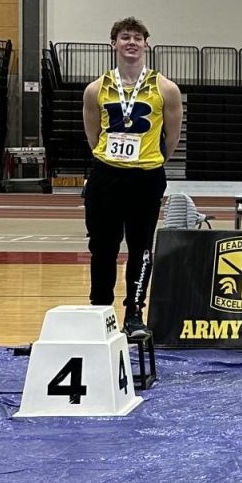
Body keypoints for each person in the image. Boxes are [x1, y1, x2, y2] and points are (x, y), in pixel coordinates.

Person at [81, 17, 182, 338]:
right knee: (103, 245)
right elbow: (93, 133)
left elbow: (172, 137)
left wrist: (152, 161)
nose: (131, 43)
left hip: (146, 176)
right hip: (106, 175)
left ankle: (135, 313)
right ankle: (100, 308)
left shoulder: (166, 88)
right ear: (114, 44)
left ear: (146, 45)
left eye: (137, 38)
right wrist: (109, 161)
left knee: (141, 247)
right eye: (125, 37)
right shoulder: (96, 89)